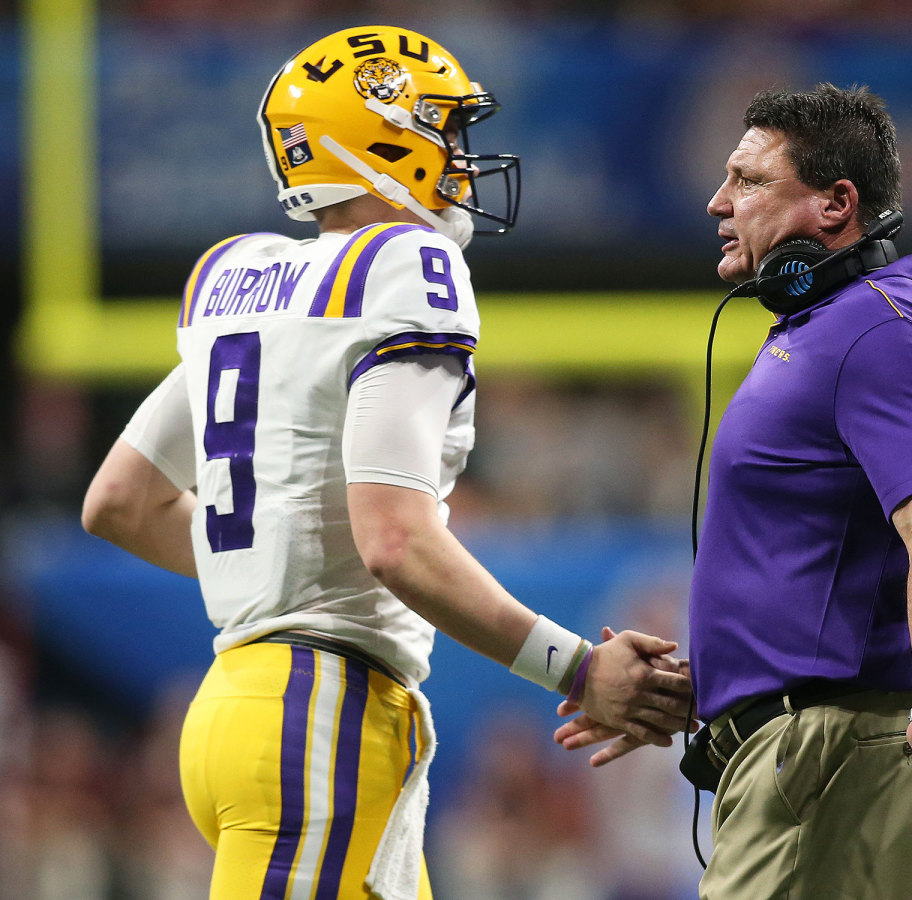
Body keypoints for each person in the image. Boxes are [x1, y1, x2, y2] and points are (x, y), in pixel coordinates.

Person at [81, 25, 692, 900]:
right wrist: (580, 669)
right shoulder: (404, 264)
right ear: (380, 135)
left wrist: (270, 576)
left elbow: (120, 502)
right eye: (443, 128)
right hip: (315, 715)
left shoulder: (241, 276)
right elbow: (396, 541)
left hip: (242, 710)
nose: (460, 156)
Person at [686, 84, 912, 898]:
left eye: (749, 180)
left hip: (839, 759)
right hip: (810, 758)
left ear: (835, 204)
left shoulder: (890, 331)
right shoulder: (821, 329)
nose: (718, 201)